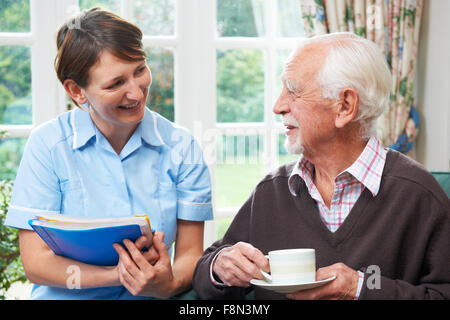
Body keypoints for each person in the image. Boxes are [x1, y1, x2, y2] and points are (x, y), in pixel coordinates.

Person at [192, 33, 450, 300]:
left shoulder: (419, 195)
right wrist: (219, 267)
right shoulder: (272, 190)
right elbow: (205, 275)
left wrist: (362, 289)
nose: (277, 106)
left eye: (293, 91)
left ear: (345, 106)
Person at [5, 8, 213, 300]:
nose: (137, 93)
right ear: (77, 91)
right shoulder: (48, 146)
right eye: (116, 84)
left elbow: (191, 254)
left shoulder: (182, 148)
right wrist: (120, 275)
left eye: (140, 70)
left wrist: (166, 284)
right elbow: (37, 263)